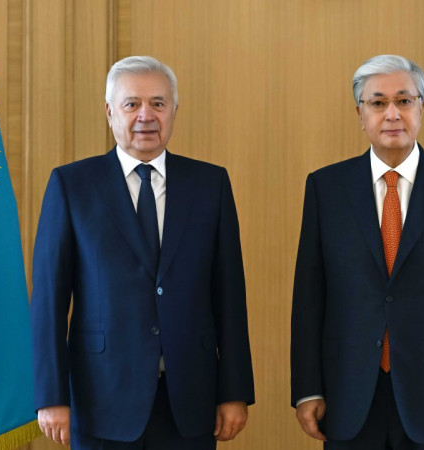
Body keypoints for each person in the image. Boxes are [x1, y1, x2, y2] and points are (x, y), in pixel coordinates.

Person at [30, 55, 254, 449]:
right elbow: (49, 300)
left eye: (158, 103)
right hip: (101, 398)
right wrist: (51, 396)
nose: (146, 116)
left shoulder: (210, 184)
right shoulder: (72, 185)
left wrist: (234, 390)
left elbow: (229, 295)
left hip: (190, 398)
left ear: (174, 111)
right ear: (109, 112)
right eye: (132, 104)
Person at [290, 54, 424, 450]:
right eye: (378, 102)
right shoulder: (326, 188)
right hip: (349, 394)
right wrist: (307, 389)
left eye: (404, 101)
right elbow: (309, 297)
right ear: (360, 113)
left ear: (421, 107)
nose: (392, 114)